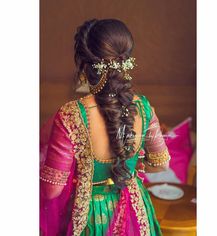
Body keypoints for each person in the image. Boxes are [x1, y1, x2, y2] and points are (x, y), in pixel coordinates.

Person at [40, 18, 171, 236]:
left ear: (84, 65)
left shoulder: (71, 115)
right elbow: (161, 164)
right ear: (125, 60)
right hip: (133, 213)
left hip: (90, 217)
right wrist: (129, 164)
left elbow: (52, 190)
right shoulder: (143, 107)